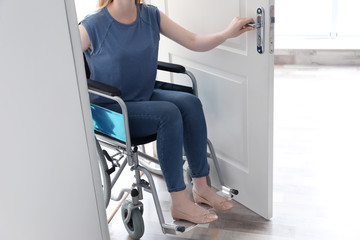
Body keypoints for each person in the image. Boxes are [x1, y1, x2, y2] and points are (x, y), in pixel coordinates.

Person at [79, 0, 254, 224]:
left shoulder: (151, 15)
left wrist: (227, 33)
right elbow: (62, 61)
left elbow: (193, 40)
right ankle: (179, 202)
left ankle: (201, 187)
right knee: (168, 113)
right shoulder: (92, 25)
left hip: (143, 94)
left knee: (190, 103)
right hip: (113, 109)